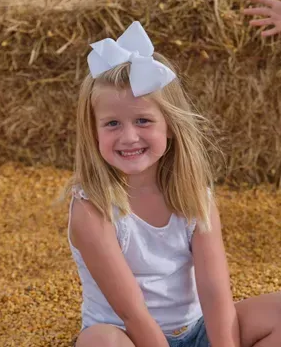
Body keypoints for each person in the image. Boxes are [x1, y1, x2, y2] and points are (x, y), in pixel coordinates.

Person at [64, 21, 281, 347]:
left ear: (170, 127)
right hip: (131, 337)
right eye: (112, 124)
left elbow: (215, 291)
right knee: (100, 342)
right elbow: (132, 312)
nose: (129, 137)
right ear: (93, 132)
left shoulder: (195, 196)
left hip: (197, 330)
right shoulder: (91, 208)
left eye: (143, 120)